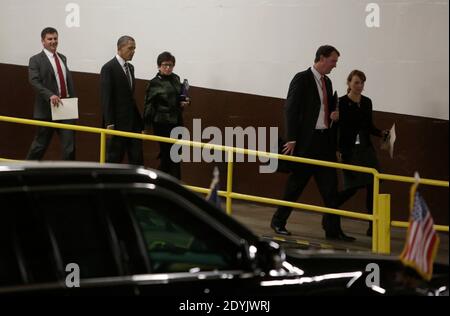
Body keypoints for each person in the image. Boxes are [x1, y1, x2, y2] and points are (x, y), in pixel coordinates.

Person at [270, 45, 355, 241]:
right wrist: (291, 138)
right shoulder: (302, 78)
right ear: (322, 58)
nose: (335, 65)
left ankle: (333, 230)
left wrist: (334, 116)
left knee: (330, 189)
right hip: (305, 143)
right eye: (333, 61)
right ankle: (278, 221)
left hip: (324, 142)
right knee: (295, 186)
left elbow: (324, 108)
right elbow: (290, 108)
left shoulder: (329, 82)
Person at [336, 70, 389, 236]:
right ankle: (330, 208)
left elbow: (369, 126)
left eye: (362, 83)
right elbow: (338, 128)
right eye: (357, 82)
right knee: (351, 188)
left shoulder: (367, 102)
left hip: (366, 149)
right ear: (349, 83)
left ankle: (372, 226)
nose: (360, 86)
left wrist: (382, 133)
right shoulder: (341, 103)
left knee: (373, 185)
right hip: (349, 150)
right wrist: (338, 150)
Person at [26, 27, 76, 160]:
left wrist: (73, 100)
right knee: (39, 146)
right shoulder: (35, 59)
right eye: (50, 39)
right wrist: (50, 95)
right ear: (43, 41)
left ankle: (68, 177)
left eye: (55, 38)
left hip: (65, 107)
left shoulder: (63, 58)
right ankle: (25, 171)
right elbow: (34, 81)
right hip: (47, 108)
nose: (53, 41)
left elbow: (66, 81)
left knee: (69, 147)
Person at [143, 51, 190, 179]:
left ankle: (163, 183)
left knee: (175, 155)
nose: (168, 68)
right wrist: (145, 127)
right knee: (169, 156)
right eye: (165, 65)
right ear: (158, 66)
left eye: (170, 65)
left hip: (177, 122)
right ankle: (172, 184)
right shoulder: (154, 83)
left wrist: (185, 102)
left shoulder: (176, 78)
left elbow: (181, 95)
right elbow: (148, 105)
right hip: (162, 124)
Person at [100, 35, 143, 165]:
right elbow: (106, 97)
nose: (133, 51)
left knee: (137, 159)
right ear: (120, 48)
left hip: (133, 123)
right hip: (117, 123)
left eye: (134, 48)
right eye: (130, 48)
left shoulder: (131, 68)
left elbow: (130, 97)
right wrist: (109, 123)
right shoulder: (108, 68)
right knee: (114, 158)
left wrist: (140, 124)